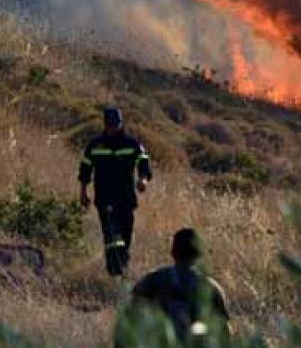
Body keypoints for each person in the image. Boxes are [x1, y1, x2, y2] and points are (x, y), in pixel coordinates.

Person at [78, 107, 152, 277]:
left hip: (126, 199)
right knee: (112, 237)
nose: (113, 129)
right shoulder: (95, 145)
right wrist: (83, 193)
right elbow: (85, 170)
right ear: (105, 125)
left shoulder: (132, 144)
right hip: (105, 199)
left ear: (120, 124)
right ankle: (114, 273)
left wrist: (143, 179)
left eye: (115, 125)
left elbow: (143, 162)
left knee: (125, 237)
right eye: (110, 125)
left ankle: (123, 268)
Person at [128, 228, 230, 342]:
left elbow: (129, 317)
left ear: (173, 253)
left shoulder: (153, 280)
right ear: (198, 255)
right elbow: (224, 332)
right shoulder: (209, 287)